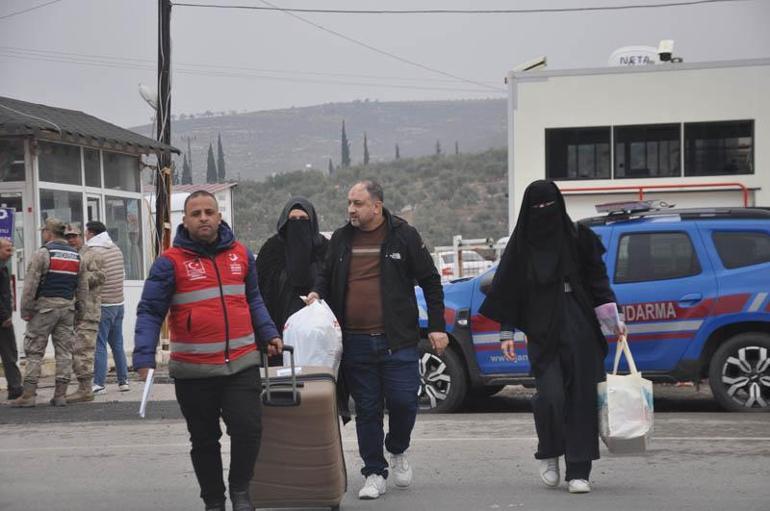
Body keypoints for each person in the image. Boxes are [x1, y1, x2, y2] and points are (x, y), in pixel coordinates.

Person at [133, 190, 283, 511]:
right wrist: (144, 354)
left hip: (241, 365)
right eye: (196, 213)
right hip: (194, 371)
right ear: (184, 220)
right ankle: (214, 501)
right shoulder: (168, 263)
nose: (203, 217)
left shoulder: (241, 255)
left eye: (209, 212)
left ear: (219, 217)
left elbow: (253, 299)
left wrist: (268, 332)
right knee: (204, 441)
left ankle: (241, 490)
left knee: (248, 429)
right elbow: (150, 310)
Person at [479, 180, 626, 494]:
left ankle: (579, 470)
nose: (543, 212)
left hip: (580, 322)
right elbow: (508, 290)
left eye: (549, 205)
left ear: (559, 205)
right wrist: (507, 332)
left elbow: (598, 281)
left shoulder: (580, 239)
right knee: (550, 397)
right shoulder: (521, 247)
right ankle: (549, 451)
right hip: (542, 328)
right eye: (537, 207)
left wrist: (614, 319)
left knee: (582, 399)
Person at [307, 180, 448, 500]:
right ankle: (374, 471)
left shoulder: (404, 236)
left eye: (357, 203)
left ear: (377, 206)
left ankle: (397, 448)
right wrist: (317, 293)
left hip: (397, 341)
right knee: (367, 409)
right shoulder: (341, 238)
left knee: (404, 402)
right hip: (355, 342)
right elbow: (325, 276)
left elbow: (431, 282)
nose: (350, 210)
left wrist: (437, 327)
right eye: (349, 203)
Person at [11, 218, 87, 408]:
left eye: (43, 231)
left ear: (49, 233)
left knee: (34, 350)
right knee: (64, 352)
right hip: (67, 309)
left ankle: (28, 395)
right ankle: (60, 395)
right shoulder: (77, 256)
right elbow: (82, 289)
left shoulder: (43, 254)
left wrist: (25, 310)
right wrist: (80, 314)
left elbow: (30, 285)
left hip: (44, 309)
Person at [256, 196, 328, 364]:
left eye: (303, 219)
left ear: (312, 222)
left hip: (318, 334)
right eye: (293, 219)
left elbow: (333, 283)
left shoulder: (324, 249)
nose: (298, 223)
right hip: (278, 334)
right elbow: (260, 292)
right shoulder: (272, 250)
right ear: (284, 222)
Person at [63, 224, 105, 403]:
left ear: (82, 237)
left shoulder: (92, 255)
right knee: (74, 349)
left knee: (84, 349)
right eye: (68, 237)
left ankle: (86, 388)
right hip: (70, 311)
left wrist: (77, 277)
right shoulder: (67, 255)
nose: (71, 240)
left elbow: (100, 277)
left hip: (88, 310)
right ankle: (81, 386)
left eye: (74, 236)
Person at [86, 221, 129, 394]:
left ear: (92, 233)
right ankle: (123, 381)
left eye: (86, 232)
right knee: (117, 344)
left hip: (103, 304)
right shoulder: (116, 249)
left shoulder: (94, 252)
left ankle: (99, 383)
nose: (85, 235)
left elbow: (90, 279)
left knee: (100, 344)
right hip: (119, 303)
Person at [0, 237, 22, 401]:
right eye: (7, 250)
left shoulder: (4, 268)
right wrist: (4, 316)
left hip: (4, 317)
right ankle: (15, 387)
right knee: (9, 353)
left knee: (10, 353)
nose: (11, 253)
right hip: (2, 319)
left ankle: (15, 388)